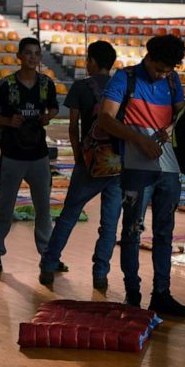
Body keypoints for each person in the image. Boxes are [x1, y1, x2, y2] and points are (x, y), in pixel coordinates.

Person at [98, 34, 185, 317]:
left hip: (169, 168)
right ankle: (133, 293)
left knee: (165, 232)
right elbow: (106, 118)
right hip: (137, 167)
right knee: (132, 230)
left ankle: (161, 293)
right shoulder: (124, 79)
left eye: (168, 70)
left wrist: (174, 126)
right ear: (148, 57)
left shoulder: (173, 81)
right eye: (159, 69)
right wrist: (139, 140)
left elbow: (181, 115)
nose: (162, 75)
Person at [39, 40, 122, 290]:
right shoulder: (121, 86)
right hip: (117, 163)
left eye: (88, 59)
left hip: (89, 161)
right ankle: (100, 274)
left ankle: (49, 265)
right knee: (109, 223)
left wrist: (77, 154)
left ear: (93, 62)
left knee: (69, 215)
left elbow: (73, 126)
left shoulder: (81, 87)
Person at [0, 37, 59, 274]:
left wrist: (48, 116)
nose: (33, 58)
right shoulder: (5, 85)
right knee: (5, 206)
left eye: (37, 54)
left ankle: (48, 255)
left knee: (44, 208)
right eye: (28, 53)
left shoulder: (46, 84)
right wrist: (7, 121)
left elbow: (54, 107)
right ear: (19, 57)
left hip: (39, 156)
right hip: (12, 156)